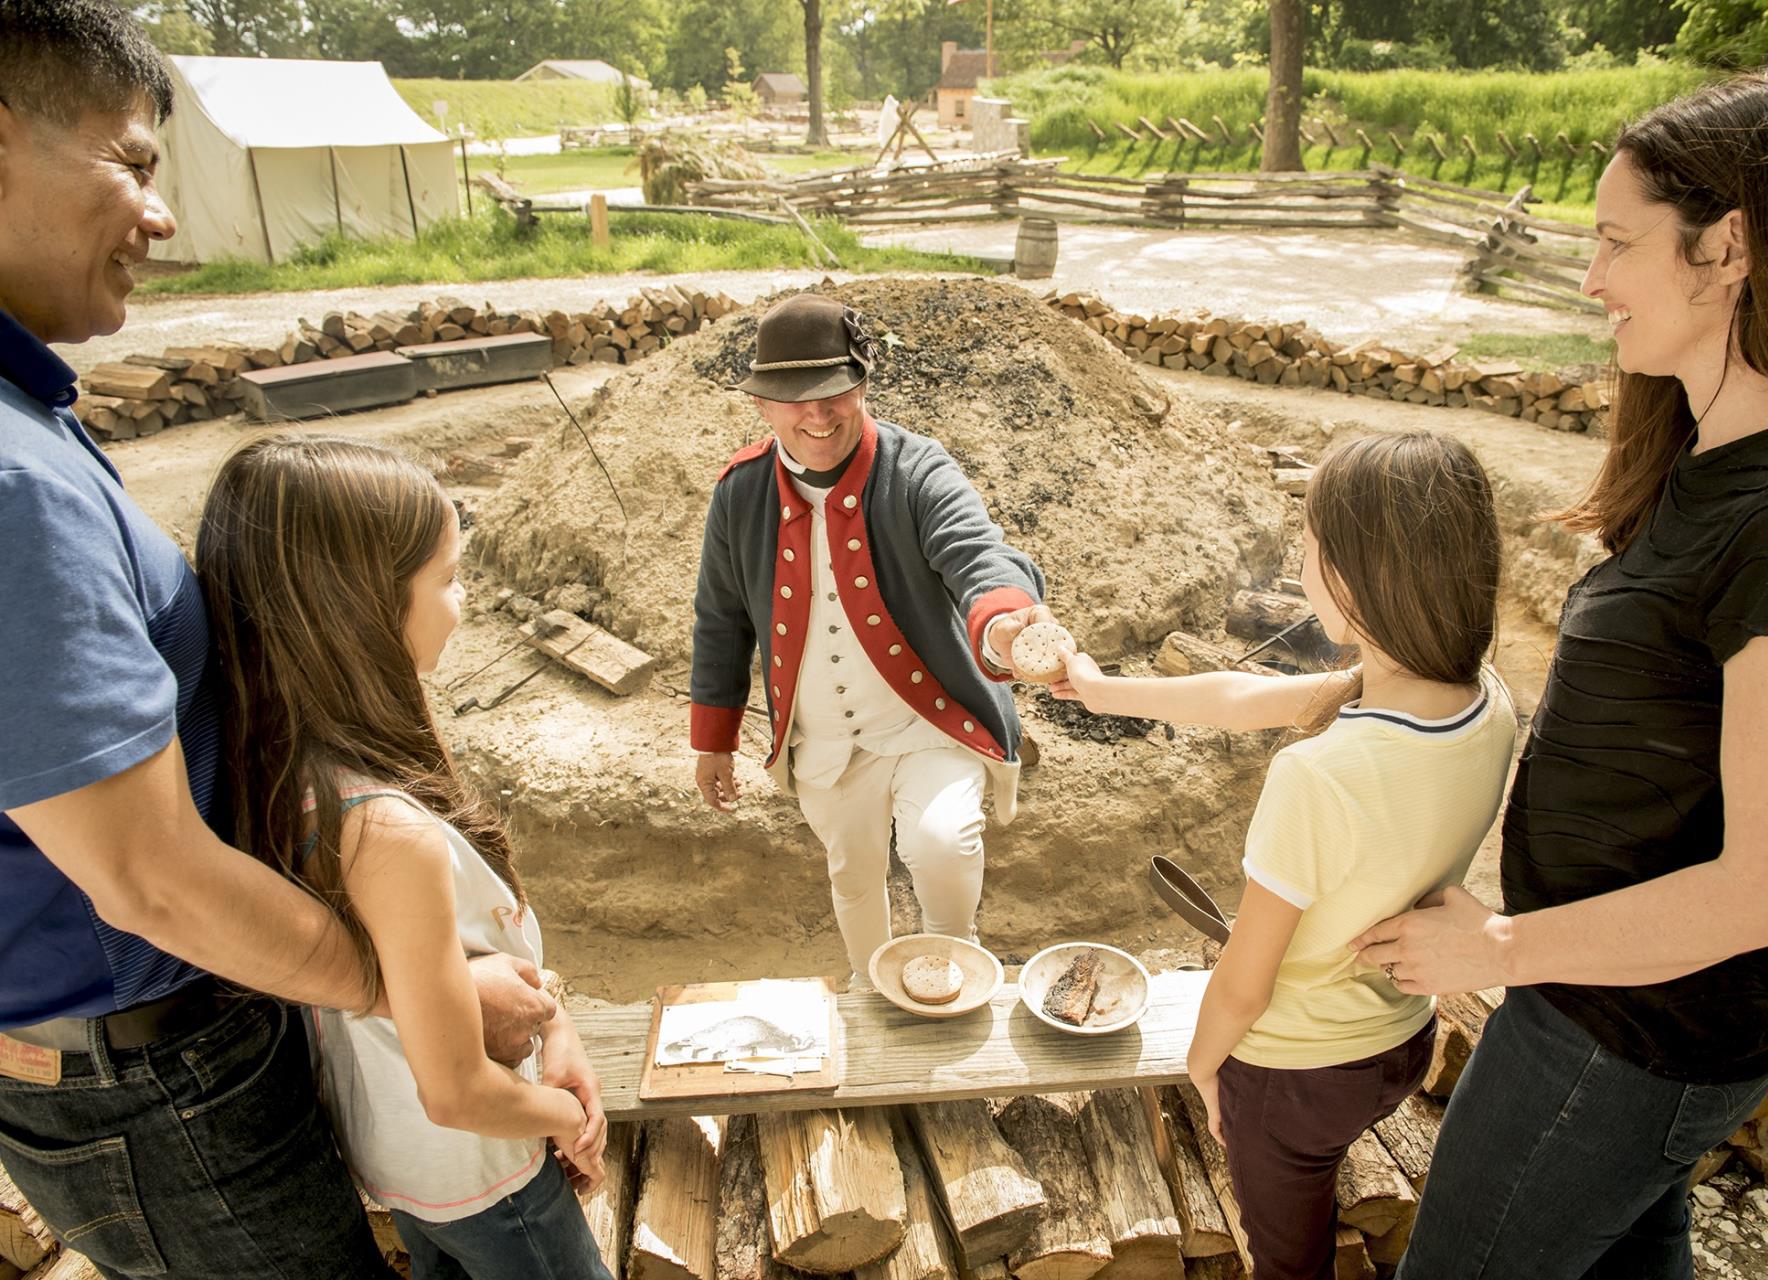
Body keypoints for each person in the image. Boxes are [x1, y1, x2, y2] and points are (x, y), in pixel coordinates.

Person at [0, 4, 553, 1276]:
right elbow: (151, 876)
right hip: (150, 1061)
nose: (162, 216)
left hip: (156, 1033)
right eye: (132, 163)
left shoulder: (29, 422)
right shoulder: (9, 484)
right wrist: (422, 991)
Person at [1349, 74, 1768, 1279]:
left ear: (1729, 249)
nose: (1593, 278)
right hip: (1599, 1000)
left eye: (1617, 242)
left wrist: (1497, 946)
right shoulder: (1710, 451)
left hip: (1627, 1036)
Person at [1052, 431, 1515, 1280]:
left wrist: (1203, 1067)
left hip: (1293, 1072)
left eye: (1308, 549)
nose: (1299, 570)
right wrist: (1102, 689)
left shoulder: (1320, 774)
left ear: (1353, 577)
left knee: (1285, 1255)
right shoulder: (1485, 699)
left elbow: (1245, 981)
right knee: (1318, 1166)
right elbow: (1245, 697)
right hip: (1403, 1042)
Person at [193, 435, 612, 1280]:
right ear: (362, 608)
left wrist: (553, 1024)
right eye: (448, 579)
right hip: (481, 1167)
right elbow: (456, 1088)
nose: (461, 604)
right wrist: (557, 1118)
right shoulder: (391, 833)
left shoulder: (280, 768)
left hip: (402, 1166)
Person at [691, 293, 1052, 984]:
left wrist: (1005, 617)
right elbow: (720, 618)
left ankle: (956, 967)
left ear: (863, 384)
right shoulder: (739, 492)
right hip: (826, 742)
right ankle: (870, 993)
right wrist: (713, 738)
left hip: (929, 722)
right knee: (853, 877)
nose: (819, 415)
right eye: (796, 399)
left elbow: (976, 551)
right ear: (764, 405)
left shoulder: (918, 469)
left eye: (837, 393)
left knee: (941, 844)